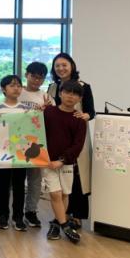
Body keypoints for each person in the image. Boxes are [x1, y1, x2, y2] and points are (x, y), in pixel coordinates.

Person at [47, 53, 95, 230]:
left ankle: (78, 216)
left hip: (76, 135)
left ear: (72, 66)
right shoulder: (52, 87)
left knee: (78, 177)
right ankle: (62, 216)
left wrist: (85, 116)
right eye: (57, 66)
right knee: (59, 182)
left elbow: (91, 111)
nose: (61, 68)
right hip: (57, 137)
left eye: (64, 65)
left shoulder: (83, 86)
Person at [43, 81, 86, 244]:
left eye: (75, 94)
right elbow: (35, 128)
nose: (70, 96)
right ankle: (65, 225)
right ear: (60, 94)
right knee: (55, 193)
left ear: (79, 98)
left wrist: (62, 160)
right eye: (67, 92)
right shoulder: (48, 112)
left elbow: (78, 145)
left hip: (66, 163)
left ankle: (56, 223)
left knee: (64, 194)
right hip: (48, 162)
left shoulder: (79, 120)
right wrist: (38, 110)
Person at [0, 75, 29, 231]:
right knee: (3, 185)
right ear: (3, 89)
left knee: (19, 185)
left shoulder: (25, 109)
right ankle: (3, 215)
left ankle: (18, 216)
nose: (16, 88)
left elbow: (30, 129)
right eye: (12, 85)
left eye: (19, 85)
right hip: (2, 153)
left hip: (21, 153)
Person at [18, 61, 54, 228]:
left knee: (35, 179)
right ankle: (10, 210)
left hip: (37, 142)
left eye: (40, 78)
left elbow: (53, 119)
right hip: (16, 141)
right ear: (27, 75)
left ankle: (31, 211)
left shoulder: (47, 97)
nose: (36, 81)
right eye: (33, 77)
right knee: (14, 179)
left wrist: (46, 111)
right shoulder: (17, 92)